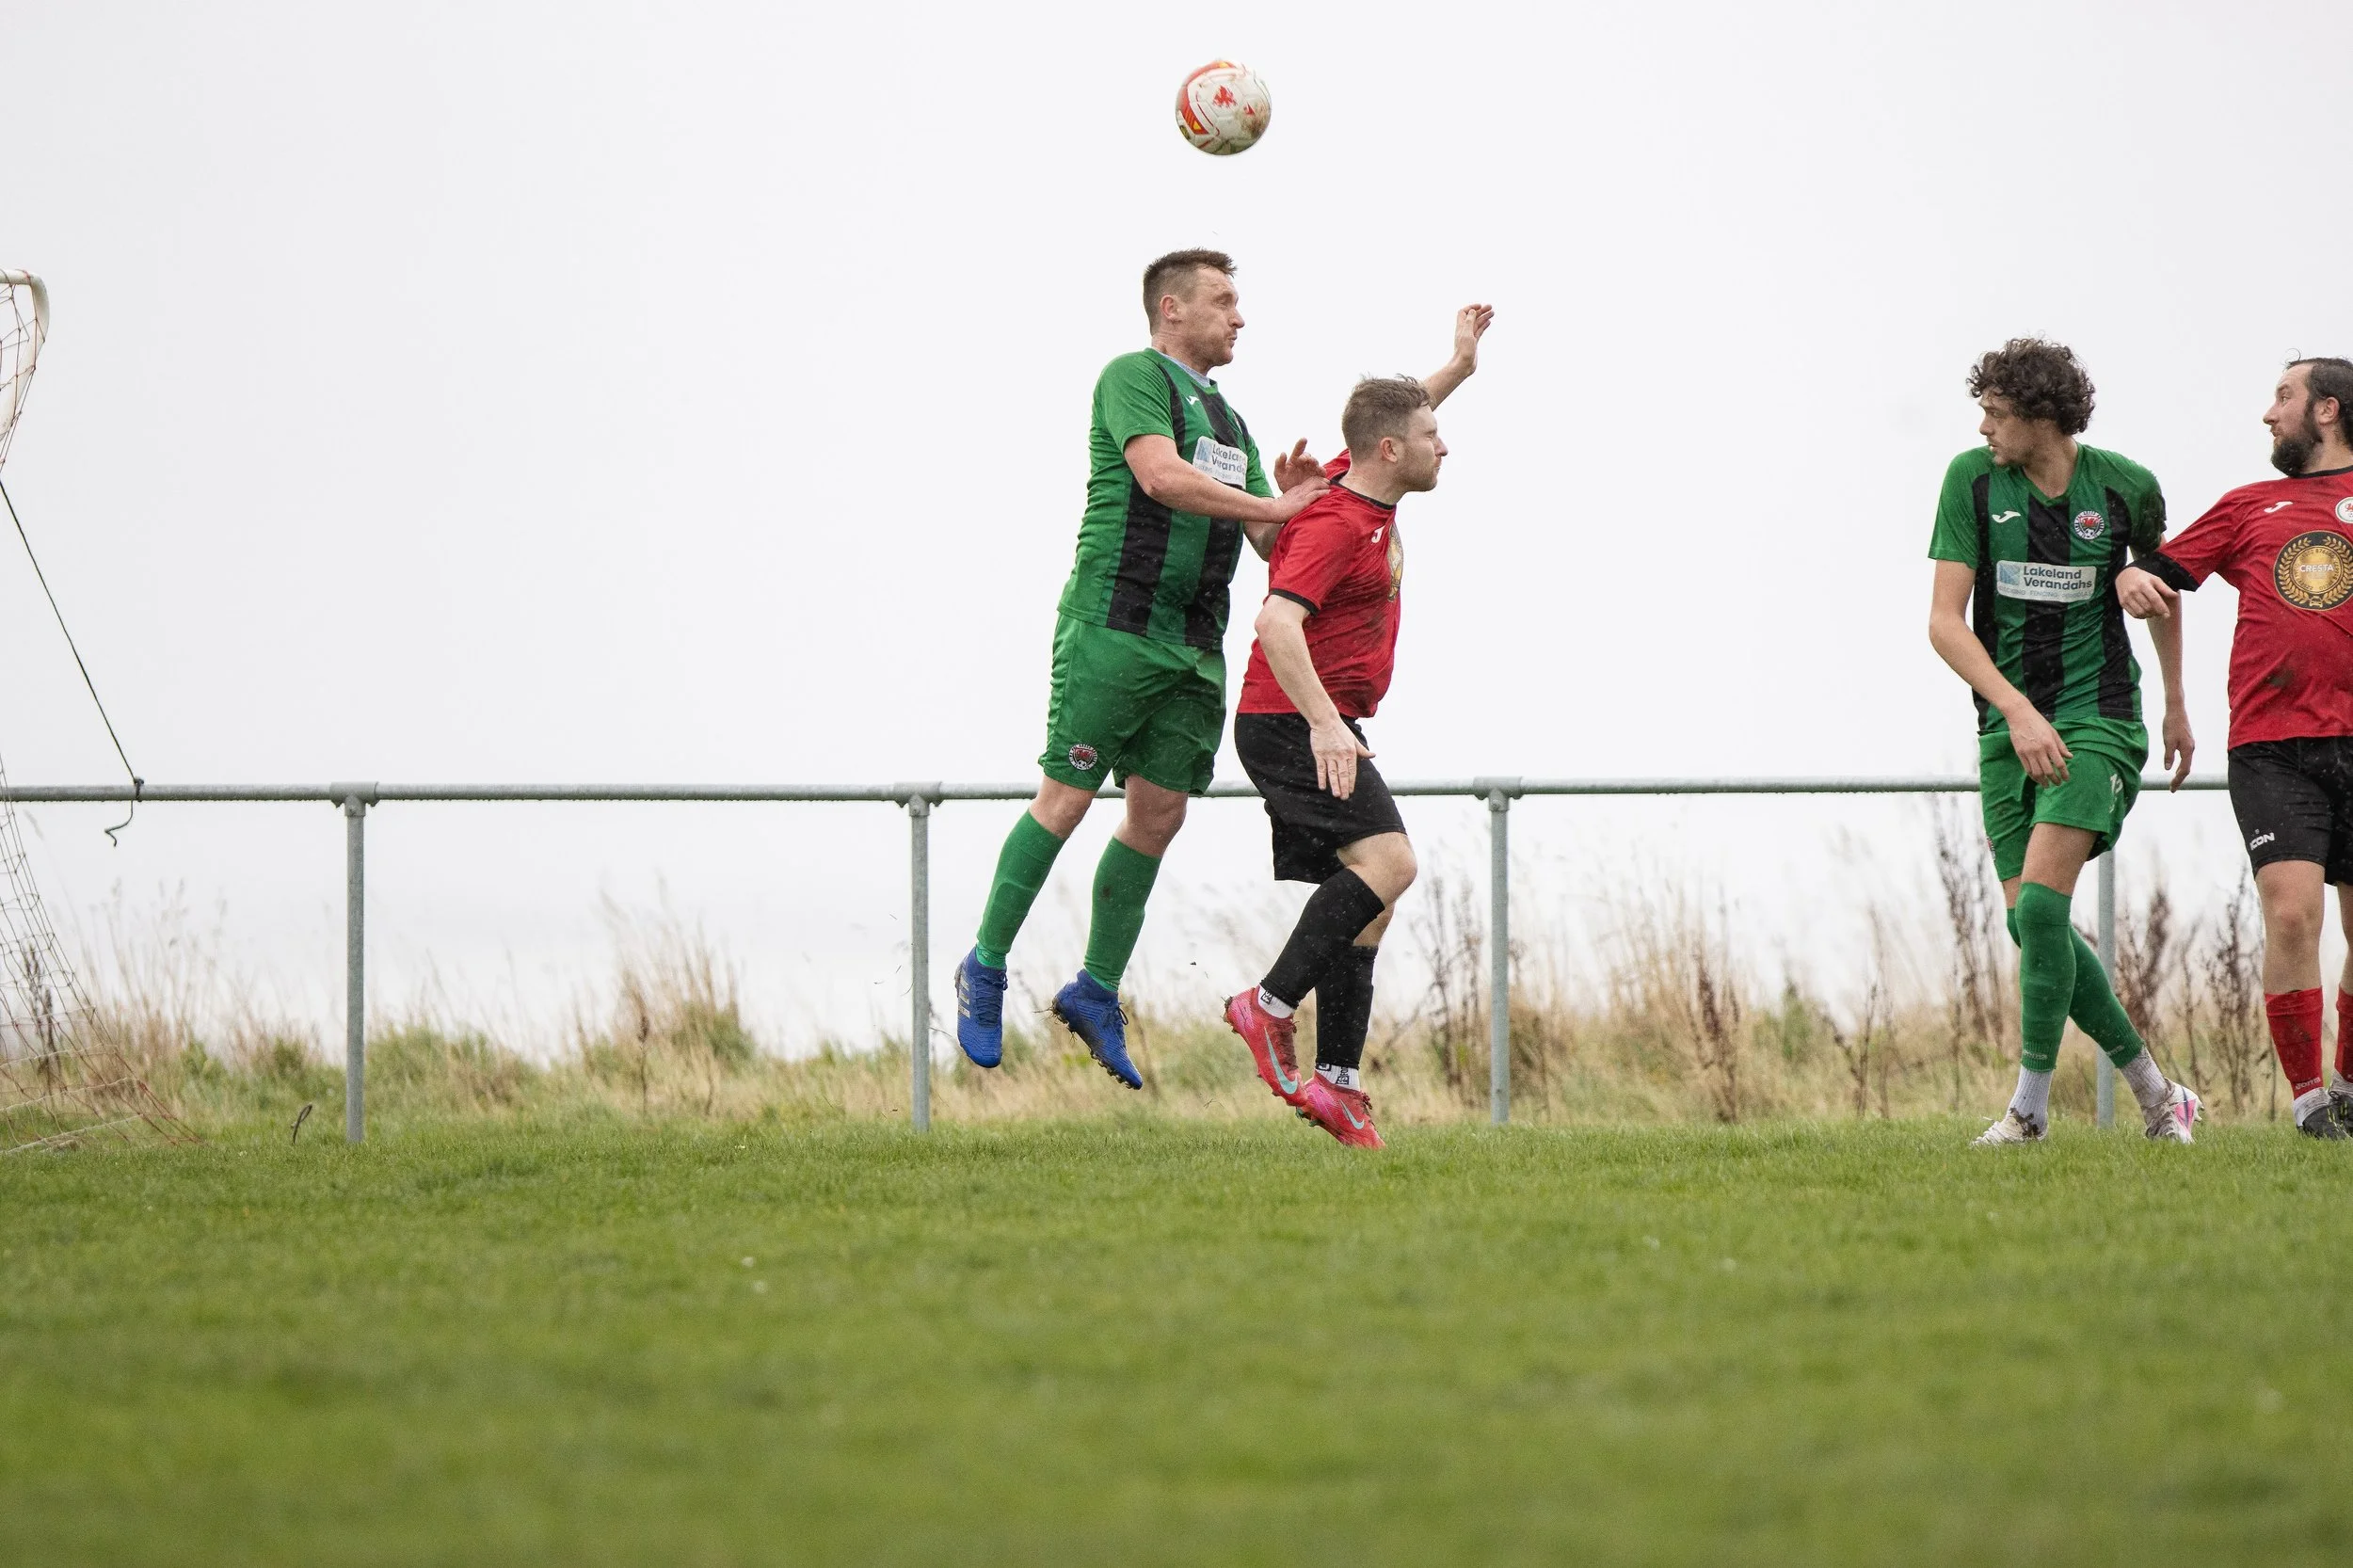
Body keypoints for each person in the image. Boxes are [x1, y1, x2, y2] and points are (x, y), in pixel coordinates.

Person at [952, 250, 1328, 1089]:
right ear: (1172, 309)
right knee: (1069, 798)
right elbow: (1159, 478)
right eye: (1224, 301)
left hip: (1195, 647)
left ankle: (1094, 989)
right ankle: (984, 965)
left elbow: (1268, 542)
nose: (1240, 317)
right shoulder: (1132, 376)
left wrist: (1290, 507)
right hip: (1115, 630)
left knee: (1158, 818)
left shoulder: (1234, 426)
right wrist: (1271, 507)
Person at [1222, 307, 1494, 1148]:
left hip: (1311, 723)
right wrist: (1327, 730)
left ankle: (1338, 1083)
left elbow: (1393, 412)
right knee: (1392, 864)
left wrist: (1458, 366)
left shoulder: (1357, 474)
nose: (1443, 445)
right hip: (1288, 724)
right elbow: (1275, 623)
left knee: (1365, 906)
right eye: (1431, 434)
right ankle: (1264, 1007)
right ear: (1390, 453)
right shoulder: (1340, 522)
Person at [1925, 337, 2202, 1144]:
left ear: (2044, 418)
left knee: (2044, 906)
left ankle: (2028, 1111)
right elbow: (1943, 624)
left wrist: (2176, 704)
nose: (1984, 427)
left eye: (1998, 413)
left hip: (2100, 720)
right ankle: (2159, 1095)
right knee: (2031, 927)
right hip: (2008, 725)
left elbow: (2162, 589)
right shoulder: (1969, 481)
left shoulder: (2124, 486)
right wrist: (2013, 710)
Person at [2115, 358, 2353, 1139]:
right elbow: (2157, 573)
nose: (2267, 414)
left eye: (2281, 397)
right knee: (2291, 918)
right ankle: (2311, 1102)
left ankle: (2347, 1085)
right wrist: (2130, 583)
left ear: (2326, 410)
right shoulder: (2249, 506)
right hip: (2273, 747)